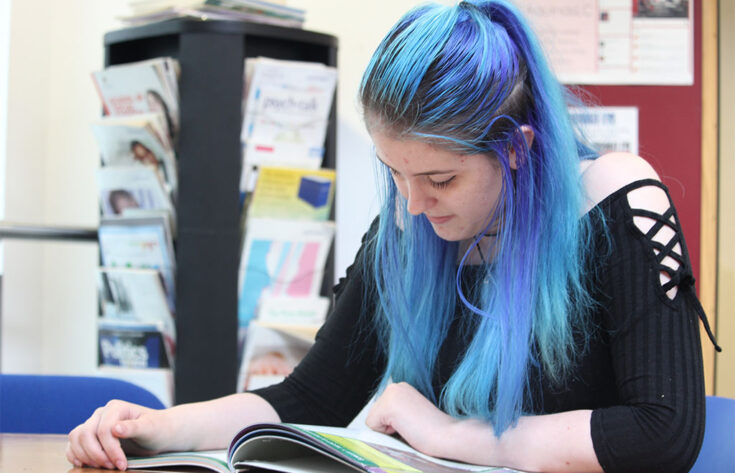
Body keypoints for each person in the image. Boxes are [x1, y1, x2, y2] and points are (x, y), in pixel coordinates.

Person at [67, 2, 718, 472]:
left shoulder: (614, 201)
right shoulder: (409, 221)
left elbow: (662, 433)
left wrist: (445, 433)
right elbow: (308, 399)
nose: (411, 201)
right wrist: (154, 427)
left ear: (516, 148)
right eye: (394, 173)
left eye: (440, 176)